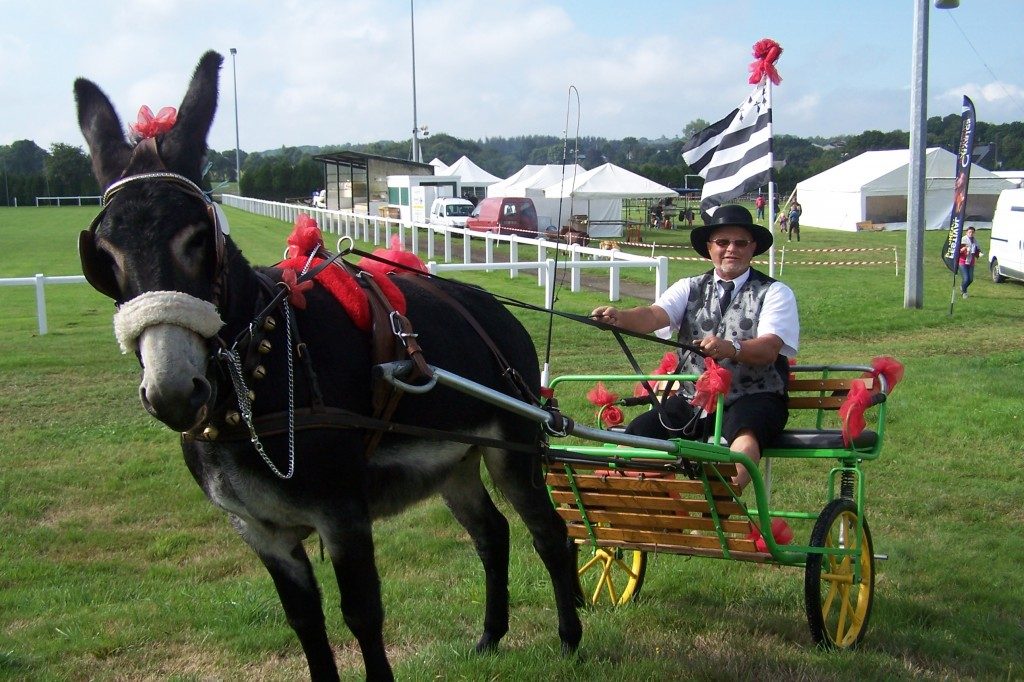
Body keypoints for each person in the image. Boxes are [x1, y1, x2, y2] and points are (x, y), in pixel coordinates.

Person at [590, 204, 799, 491]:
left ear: (753, 248)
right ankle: (647, 514)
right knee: (640, 432)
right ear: (709, 247)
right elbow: (653, 315)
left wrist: (731, 348)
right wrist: (620, 317)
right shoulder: (688, 287)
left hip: (755, 397)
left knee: (745, 435)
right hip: (693, 400)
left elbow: (769, 349)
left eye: (740, 243)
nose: (731, 249)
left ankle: (724, 499)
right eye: (722, 242)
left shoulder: (775, 292)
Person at [959, 226, 983, 298]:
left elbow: (978, 250)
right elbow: (958, 251)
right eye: (969, 232)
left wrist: (979, 253)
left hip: (971, 262)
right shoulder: (963, 240)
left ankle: (962, 287)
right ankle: (964, 292)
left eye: (972, 232)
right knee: (966, 278)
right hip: (963, 261)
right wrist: (963, 249)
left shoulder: (975, 241)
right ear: (966, 232)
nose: (971, 233)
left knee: (971, 279)